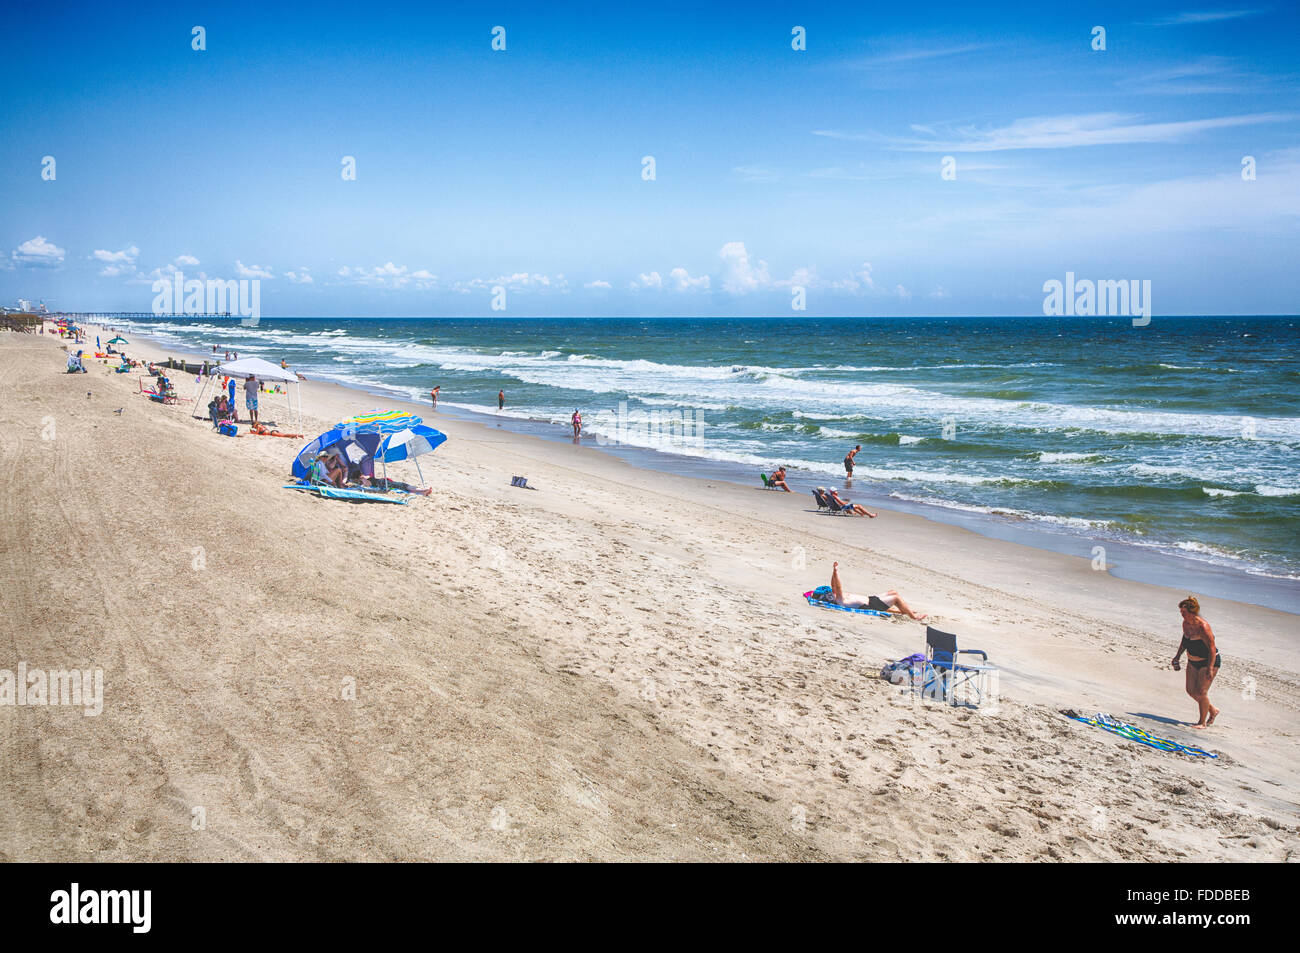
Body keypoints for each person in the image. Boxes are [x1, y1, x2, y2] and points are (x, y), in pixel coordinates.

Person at [1171, 596, 1220, 728]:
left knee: (1201, 692)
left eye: (1184, 612)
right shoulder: (1185, 624)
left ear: (1192, 612)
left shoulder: (1203, 627)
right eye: (1181, 612)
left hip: (1208, 661)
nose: (1182, 615)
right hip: (1192, 661)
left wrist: (1210, 668)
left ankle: (1202, 722)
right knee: (1191, 690)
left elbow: (1211, 649)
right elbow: (1184, 641)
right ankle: (1213, 710)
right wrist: (1177, 657)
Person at [828, 561, 926, 621]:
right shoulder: (840, 601)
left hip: (871, 599)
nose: (832, 593)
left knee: (893, 592)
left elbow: (834, 586)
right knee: (896, 598)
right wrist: (836, 572)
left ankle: (904, 610)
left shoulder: (836, 596)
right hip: (872, 605)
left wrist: (833, 572)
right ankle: (913, 617)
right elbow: (839, 587)